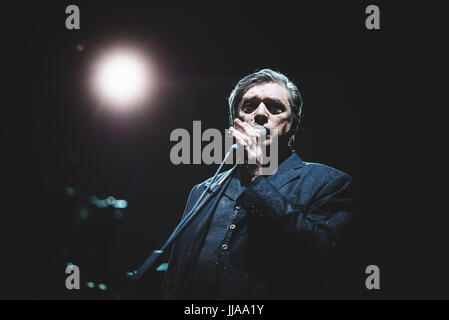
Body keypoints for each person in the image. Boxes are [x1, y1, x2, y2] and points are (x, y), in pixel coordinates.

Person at [159, 69, 354, 299]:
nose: (260, 114)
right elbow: (174, 279)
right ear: (236, 121)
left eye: (275, 107)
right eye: (249, 106)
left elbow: (320, 253)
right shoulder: (203, 191)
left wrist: (256, 178)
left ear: (293, 123)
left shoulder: (327, 182)